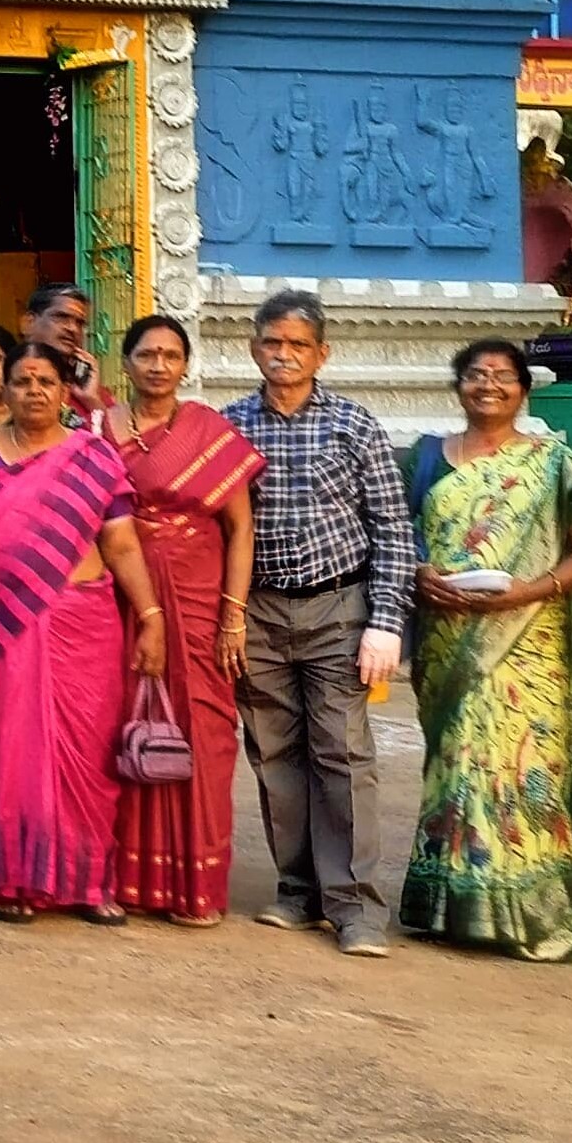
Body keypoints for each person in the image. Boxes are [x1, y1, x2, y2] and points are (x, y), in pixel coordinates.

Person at [219, 289, 417, 957]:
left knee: (342, 754)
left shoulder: (354, 425)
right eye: (271, 342)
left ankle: (355, 907)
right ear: (253, 347)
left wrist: (385, 623)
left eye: (296, 344)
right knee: (273, 753)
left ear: (320, 352)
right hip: (260, 613)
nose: (282, 354)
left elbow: (392, 529)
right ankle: (295, 889)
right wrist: (229, 616)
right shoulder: (228, 426)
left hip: (339, 607)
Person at [399, 340, 572, 960]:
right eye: (475, 374)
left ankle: (531, 915)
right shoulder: (424, 458)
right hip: (447, 637)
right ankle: (452, 908)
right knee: (456, 764)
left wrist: (530, 591)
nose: (488, 385)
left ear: (524, 390)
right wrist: (418, 574)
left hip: (529, 643)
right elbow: (396, 535)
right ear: (458, 384)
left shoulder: (551, 462)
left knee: (525, 769)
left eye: (503, 376)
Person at [0, 344, 162, 924]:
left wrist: (151, 617)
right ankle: (9, 877)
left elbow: (119, 543)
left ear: (66, 389)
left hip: (82, 622)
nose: (34, 390)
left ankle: (87, 881)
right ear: (6, 387)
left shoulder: (93, 456)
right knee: (5, 749)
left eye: (46, 380)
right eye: (22, 380)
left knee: (88, 756)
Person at [98, 317, 264, 927]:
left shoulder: (208, 432)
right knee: (124, 722)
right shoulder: (96, 431)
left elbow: (240, 527)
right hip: (124, 596)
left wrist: (233, 615)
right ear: (128, 361)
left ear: (185, 364)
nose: (159, 365)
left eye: (171, 355)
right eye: (147, 354)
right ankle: (130, 879)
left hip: (197, 595)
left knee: (205, 733)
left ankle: (196, 885)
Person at [21, 284, 108, 417]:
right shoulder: (4, 381)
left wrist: (92, 401)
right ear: (29, 322)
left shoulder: (92, 392)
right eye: (61, 317)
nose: (72, 329)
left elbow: (112, 437)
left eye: (80, 323)